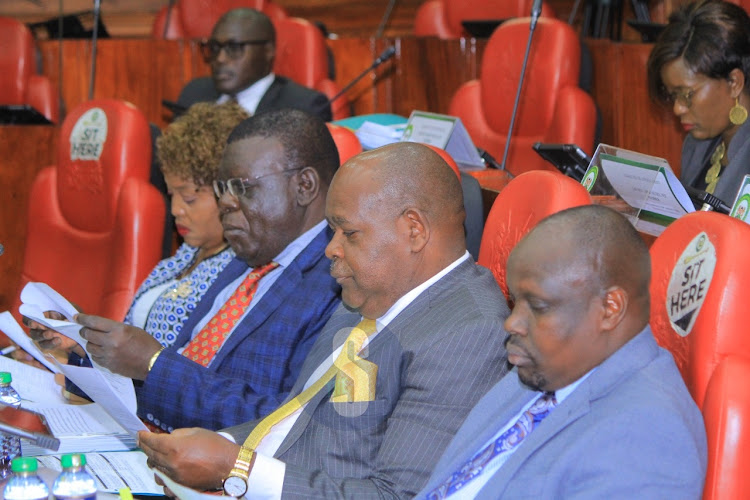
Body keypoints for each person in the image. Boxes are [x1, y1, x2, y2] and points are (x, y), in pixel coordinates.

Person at [138, 142, 510, 498]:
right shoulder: (369, 291)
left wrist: (236, 470)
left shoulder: (468, 332)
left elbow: (395, 496)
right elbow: (295, 418)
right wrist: (220, 446)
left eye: (348, 233)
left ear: (413, 229)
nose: (331, 248)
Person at [34, 109, 342, 432]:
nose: (227, 203)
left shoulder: (338, 281)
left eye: (242, 187)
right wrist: (87, 355)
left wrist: (153, 365)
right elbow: (182, 374)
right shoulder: (246, 262)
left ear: (304, 185)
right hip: (151, 441)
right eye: (222, 188)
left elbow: (289, 425)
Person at [416, 205, 707, 499]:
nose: (512, 322)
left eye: (539, 307)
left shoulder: (649, 440)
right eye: (515, 301)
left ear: (610, 308)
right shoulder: (549, 364)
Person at [23, 101, 245, 354]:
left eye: (189, 198)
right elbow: (127, 348)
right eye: (171, 194)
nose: (175, 210)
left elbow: (184, 372)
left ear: (228, 193)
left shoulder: (239, 275)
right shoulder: (184, 256)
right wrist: (76, 335)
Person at [647, 0, 750, 205]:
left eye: (686, 94)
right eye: (672, 96)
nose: (678, 108)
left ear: (734, 83)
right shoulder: (696, 146)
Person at [177, 8, 332, 122]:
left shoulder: (302, 108)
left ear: (268, 50)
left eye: (234, 47)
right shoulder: (193, 95)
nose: (220, 58)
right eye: (215, 47)